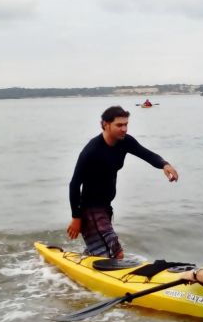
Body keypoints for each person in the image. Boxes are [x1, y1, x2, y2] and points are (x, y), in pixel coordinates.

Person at [67, 105, 179, 259]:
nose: (124, 129)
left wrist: (164, 165)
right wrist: (76, 218)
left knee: (104, 253)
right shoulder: (91, 151)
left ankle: (86, 263)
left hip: (105, 207)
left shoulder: (125, 142)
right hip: (91, 210)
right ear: (106, 125)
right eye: (119, 125)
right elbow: (74, 185)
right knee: (117, 253)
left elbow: (146, 154)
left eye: (126, 124)